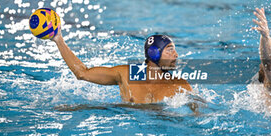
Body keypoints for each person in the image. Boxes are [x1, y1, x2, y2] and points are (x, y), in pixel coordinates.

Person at [52, 29, 192, 103]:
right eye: (170, 50)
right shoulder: (125, 73)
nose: (176, 55)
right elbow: (82, 73)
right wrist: (58, 39)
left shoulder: (180, 84)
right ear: (154, 53)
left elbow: (199, 110)